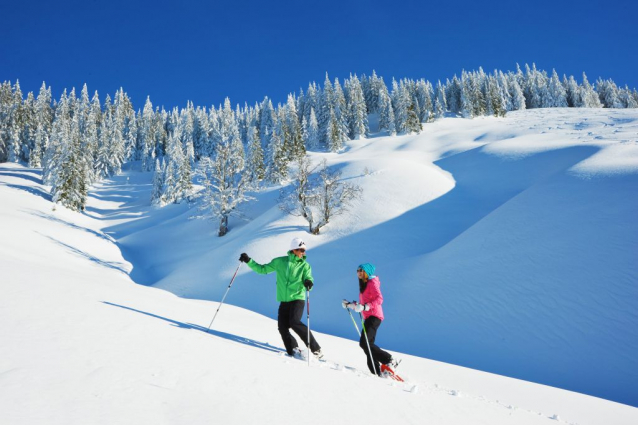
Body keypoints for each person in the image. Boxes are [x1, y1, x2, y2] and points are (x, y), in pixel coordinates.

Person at [239, 237, 323, 359]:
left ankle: (316, 349)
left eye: (304, 250)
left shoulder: (305, 266)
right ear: (293, 249)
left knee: (294, 322)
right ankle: (293, 349)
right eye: (300, 250)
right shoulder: (280, 262)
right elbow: (262, 270)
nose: (303, 253)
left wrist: (309, 282)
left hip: (297, 298)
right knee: (282, 327)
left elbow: (308, 277)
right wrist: (249, 261)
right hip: (284, 300)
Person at [343, 263, 398, 376]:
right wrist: (350, 305)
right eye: (357, 270)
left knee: (364, 343)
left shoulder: (372, 282)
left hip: (374, 316)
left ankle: (389, 360)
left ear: (367, 272)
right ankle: (376, 372)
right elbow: (362, 304)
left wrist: (365, 307)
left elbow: (379, 299)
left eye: (361, 270)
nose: (359, 272)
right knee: (367, 345)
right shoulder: (364, 285)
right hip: (369, 317)